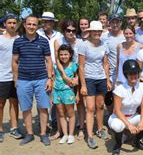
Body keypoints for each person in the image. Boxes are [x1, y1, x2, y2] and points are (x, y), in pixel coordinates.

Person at [12, 15, 53, 146]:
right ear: (24, 25)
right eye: (29, 24)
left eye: (34, 24)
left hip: (41, 79)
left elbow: (49, 60)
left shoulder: (43, 41)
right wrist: (16, 79)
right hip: (23, 80)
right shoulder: (18, 42)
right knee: (26, 108)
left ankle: (43, 133)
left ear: (37, 26)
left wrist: (49, 78)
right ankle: (29, 134)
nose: (31, 27)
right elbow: (14, 61)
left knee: (43, 107)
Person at [108, 59, 143, 155]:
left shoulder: (142, 87)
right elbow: (117, 110)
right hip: (118, 117)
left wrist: (141, 122)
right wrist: (129, 125)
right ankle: (118, 144)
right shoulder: (119, 89)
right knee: (117, 126)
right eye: (130, 74)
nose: (133, 76)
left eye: (135, 73)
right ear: (126, 75)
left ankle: (136, 141)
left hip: (133, 116)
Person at [78, 20, 112, 149]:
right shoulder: (84, 45)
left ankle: (99, 129)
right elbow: (81, 66)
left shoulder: (104, 45)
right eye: (95, 31)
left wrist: (108, 80)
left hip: (101, 78)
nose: (97, 33)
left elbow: (105, 64)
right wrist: (83, 85)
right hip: (89, 79)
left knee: (100, 105)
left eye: (99, 31)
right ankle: (90, 136)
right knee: (90, 108)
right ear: (90, 32)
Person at [53, 19, 82, 140]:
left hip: (74, 77)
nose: (71, 32)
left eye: (73, 30)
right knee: (60, 111)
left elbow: (80, 66)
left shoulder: (80, 43)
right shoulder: (58, 41)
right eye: (68, 30)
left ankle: (79, 130)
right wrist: (64, 75)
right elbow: (57, 60)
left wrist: (76, 79)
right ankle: (61, 133)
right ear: (64, 31)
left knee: (76, 106)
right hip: (61, 79)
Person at [0, 14, 23, 142]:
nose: (12, 25)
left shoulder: (20, 39)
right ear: (5, 24)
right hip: (1, 76)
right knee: (1, 104)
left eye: (14, 23)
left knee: (14, 103)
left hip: (16, 77)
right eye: (9, 23)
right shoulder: (0, 39)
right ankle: (0, 129)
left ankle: (14, 128)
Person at [52, 44, 78, 144]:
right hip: (57, 92)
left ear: (70, 54)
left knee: (70, 114)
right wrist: (52, 95)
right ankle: (65, 134)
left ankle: (71, 134)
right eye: (61, 54)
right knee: (61, 114)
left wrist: (76, 82)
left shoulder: (74, 65)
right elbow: (53, 79)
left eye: (66, 54)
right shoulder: (56, 66)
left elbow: (77, 78)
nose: (63, 56)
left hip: (68, 92)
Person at [101, 14, 125, 113]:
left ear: (121, 23)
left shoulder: (126, 35)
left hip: (124, 72)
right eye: (113, 22)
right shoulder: (104, 37)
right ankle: (111, 116)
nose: (115, 24)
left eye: (117, 22)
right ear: (109, 23)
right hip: (110, 72)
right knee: (109, 97)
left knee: (122, 97)